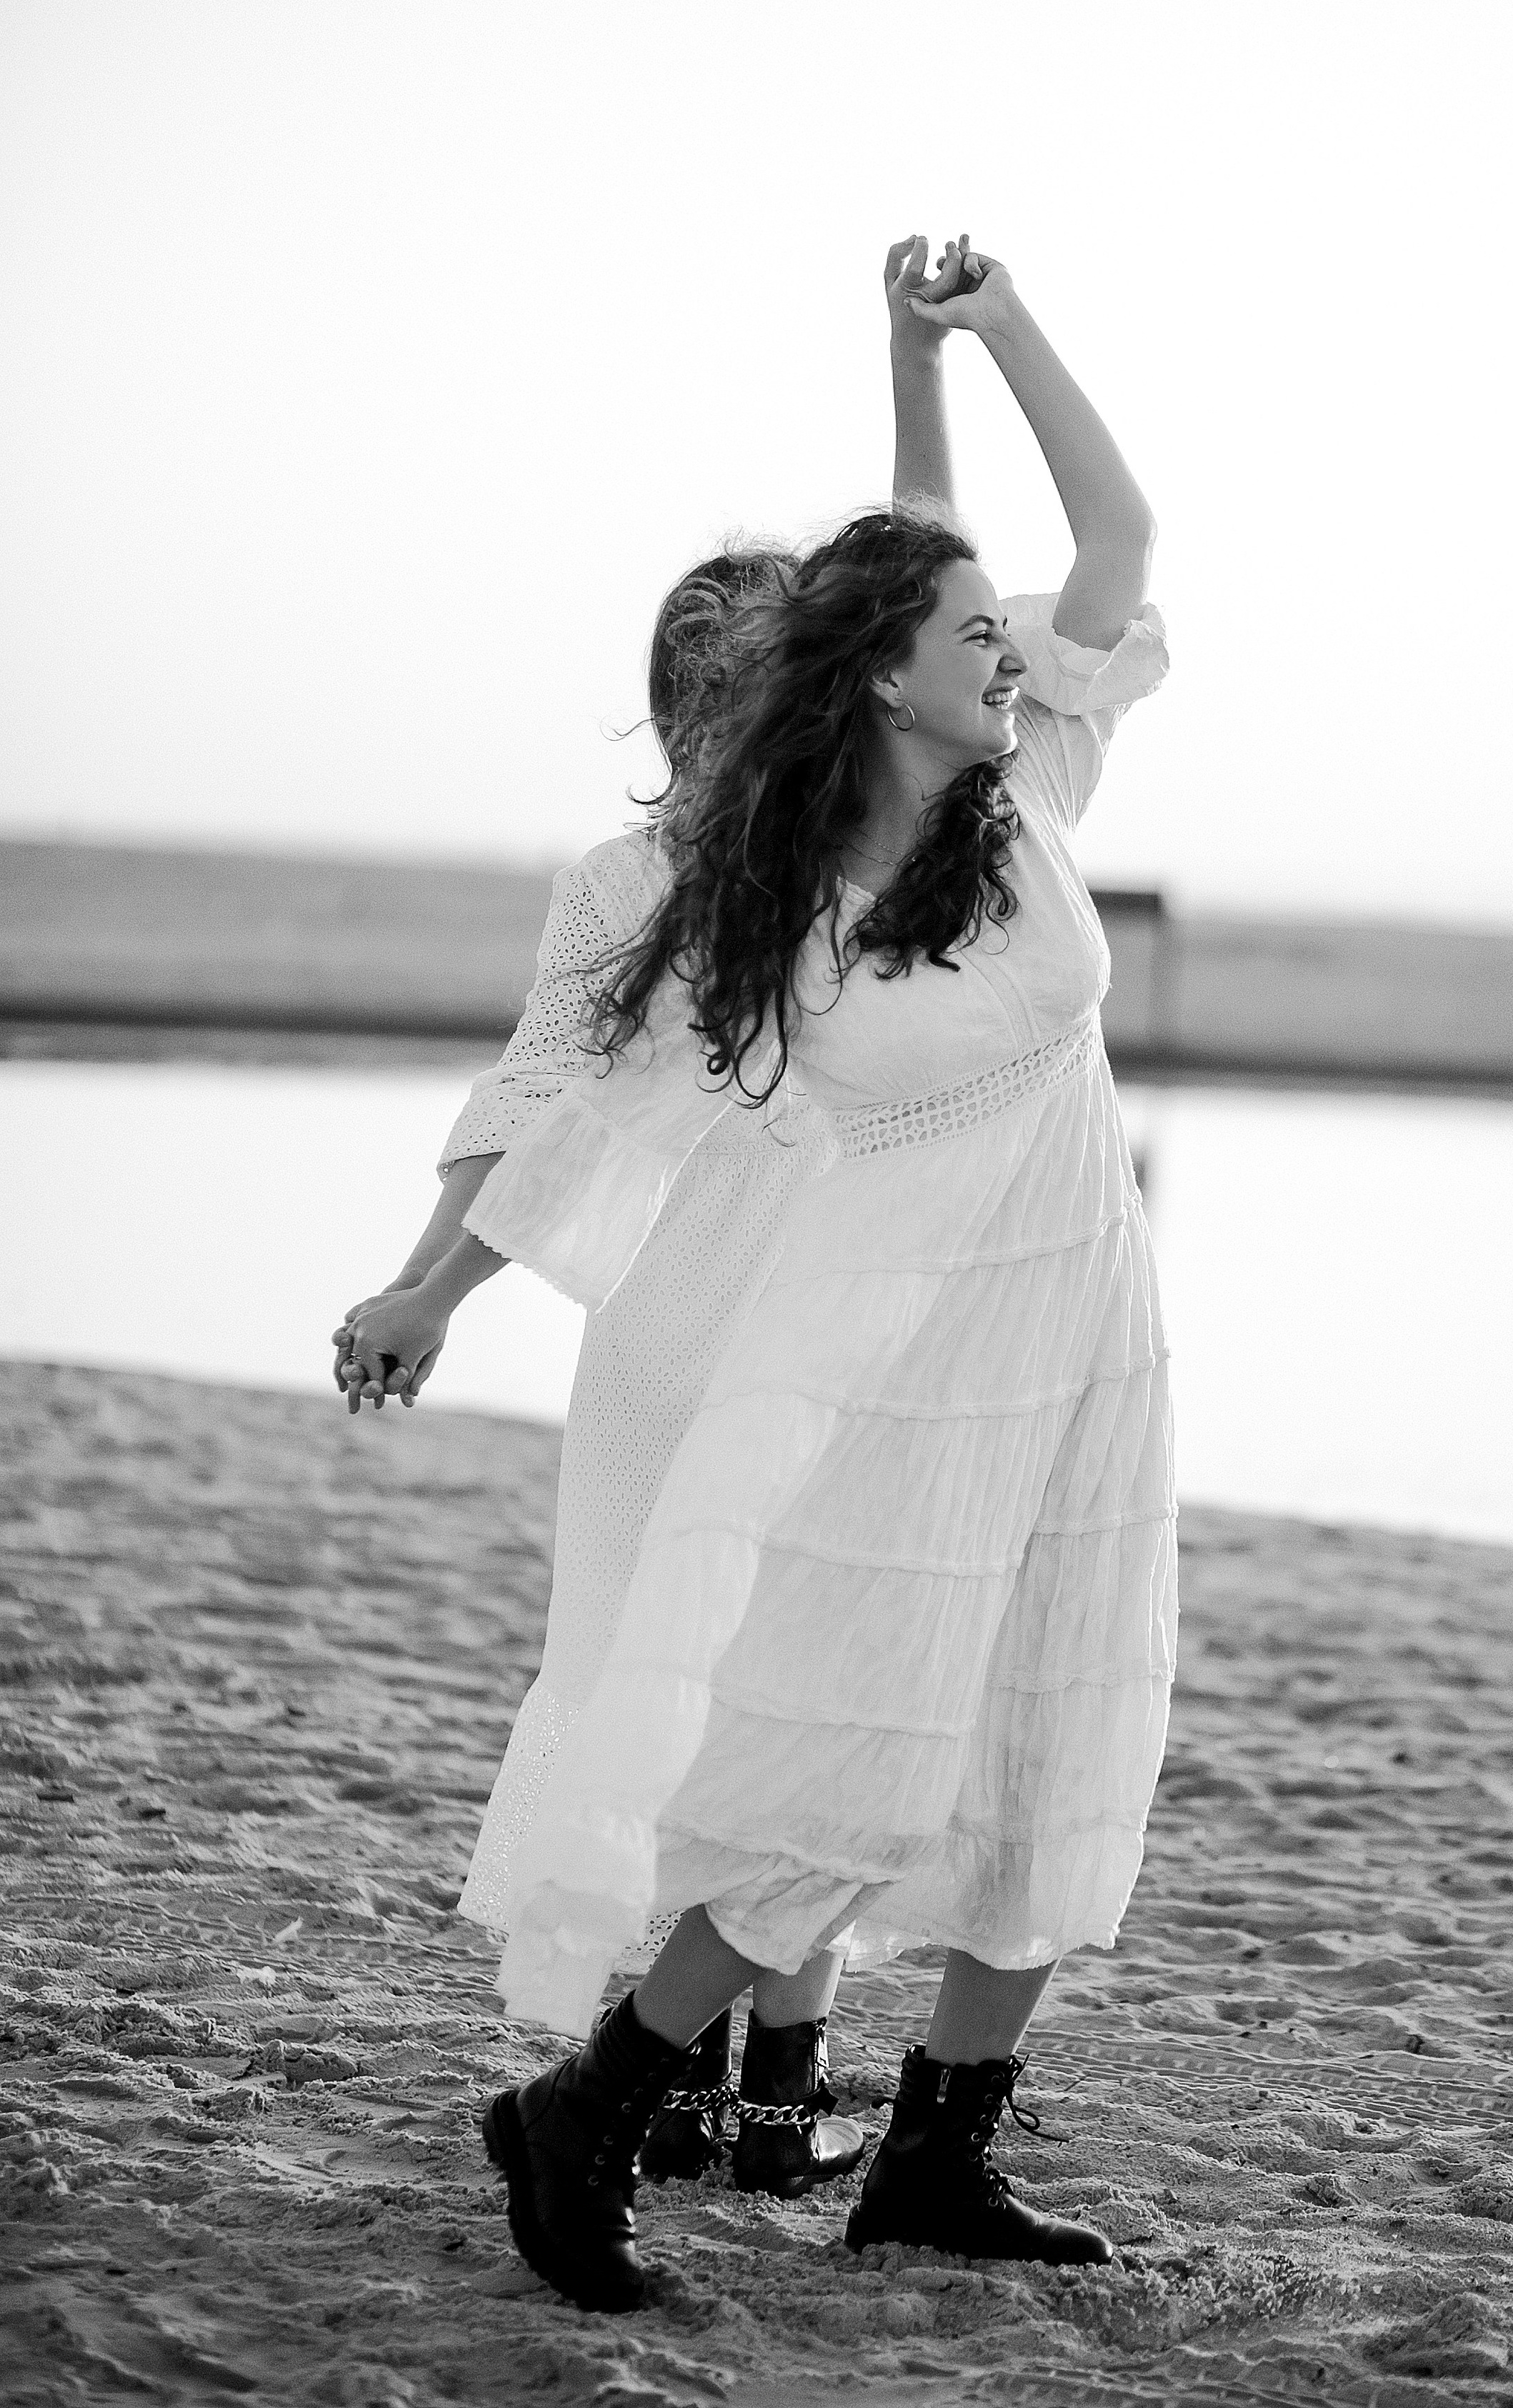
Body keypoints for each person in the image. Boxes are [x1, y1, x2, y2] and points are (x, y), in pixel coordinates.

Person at [338, 239, 1176, 2313]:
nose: (1012, 646)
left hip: (1085, 1325)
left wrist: (962, 337)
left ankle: (937, 2160)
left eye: (1006, 629)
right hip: (899, 1363)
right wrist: (437, 1281)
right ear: (879, 672)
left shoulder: (1030, 786)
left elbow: (1098, 532)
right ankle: (599, 2097)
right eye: (970, 633)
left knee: (1066, 1729)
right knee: (859, 1759)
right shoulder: (752, 909)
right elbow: (577, 1108)